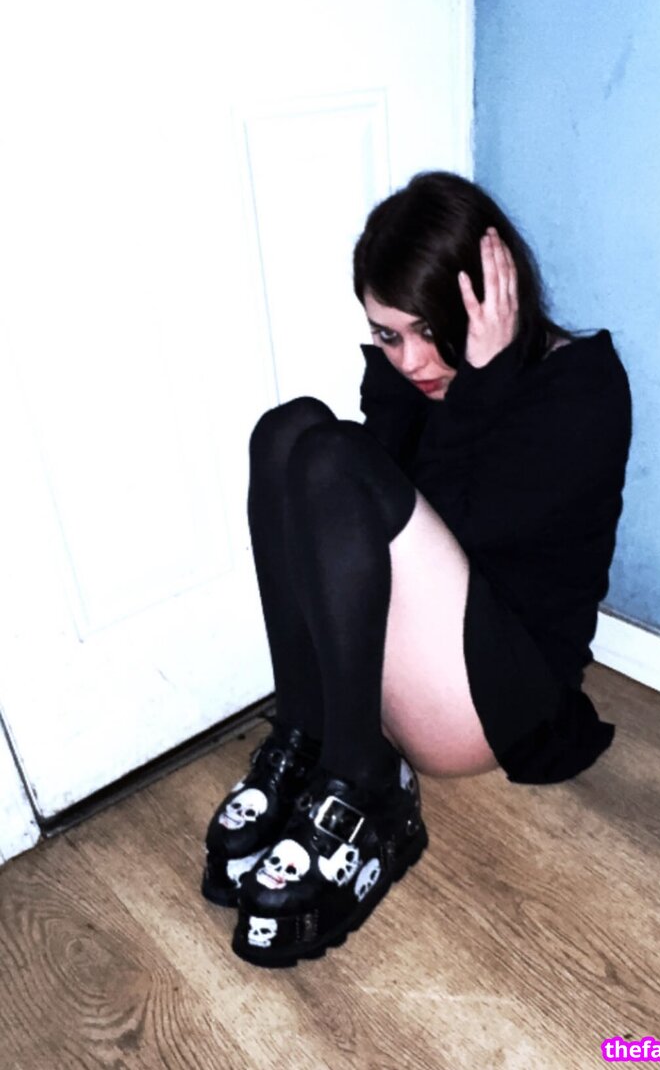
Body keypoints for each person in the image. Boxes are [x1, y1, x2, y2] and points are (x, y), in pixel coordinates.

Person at [201, 171, 632, 968]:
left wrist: (482, 388)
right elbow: (371, 527)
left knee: (334, 455)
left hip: (498, 695)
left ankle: (364, 783)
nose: (411, 360)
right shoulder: (412, 375)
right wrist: (421, 396)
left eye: (429, 330)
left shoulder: (583, 388)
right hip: (403, 675)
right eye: (388, 335)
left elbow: (468, 534)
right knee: (288, 431)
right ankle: (306, 735)